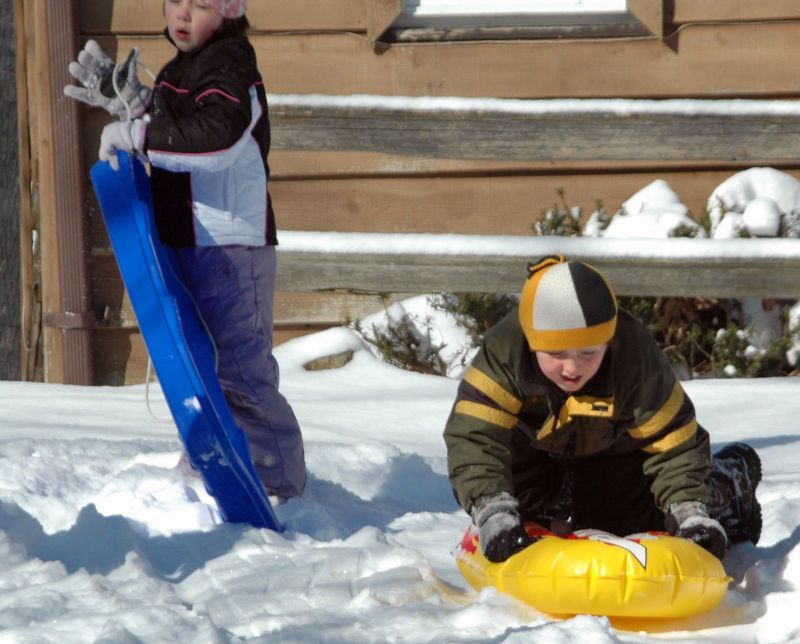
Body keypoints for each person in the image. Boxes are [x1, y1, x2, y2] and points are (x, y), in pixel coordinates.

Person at [64, 0, 305, 499]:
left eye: (200, 4)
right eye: (176, 0)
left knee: (240, 370)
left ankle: (275, 477)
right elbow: (179, 121)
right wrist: (134, 103)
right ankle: (212, 462)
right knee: (198, 362)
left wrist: (139, 133)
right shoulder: (185, 67)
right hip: (191, 238)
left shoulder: (230, 66)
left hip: (231, 244)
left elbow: (216, 138)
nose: (182, 14)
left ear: (230, 10)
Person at [443, 254, 762, 563]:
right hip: (537, 457)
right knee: (523, 516)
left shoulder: (632, 356)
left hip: (616, 457)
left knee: (628, 528)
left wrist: (689, 512)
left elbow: (674, 442)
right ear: (532, 342)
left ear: (607, 342)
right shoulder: (507, 349)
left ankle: (728, 486)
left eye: (588, 353)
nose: (572, 368)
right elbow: (475, 437)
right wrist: (493, 510)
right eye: (556, 353)